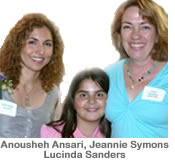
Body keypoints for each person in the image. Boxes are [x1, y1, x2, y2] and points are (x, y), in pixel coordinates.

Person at [105, 0, 168, 138]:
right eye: (127, 27)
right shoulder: (109, 74)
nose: (135, 36)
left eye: (145, 27)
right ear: (119, 34)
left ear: (158, 34)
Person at [0, 13, 64, 138]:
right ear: (17, 45)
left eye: (47, 44)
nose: (40, 51)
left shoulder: (53, 93)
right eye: (32, 42)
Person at [41, 68, 111, 138]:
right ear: (73, 101)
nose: (91, 101)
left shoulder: (116, 134)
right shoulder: (51, 133)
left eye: (99, 95)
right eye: (83, 95)